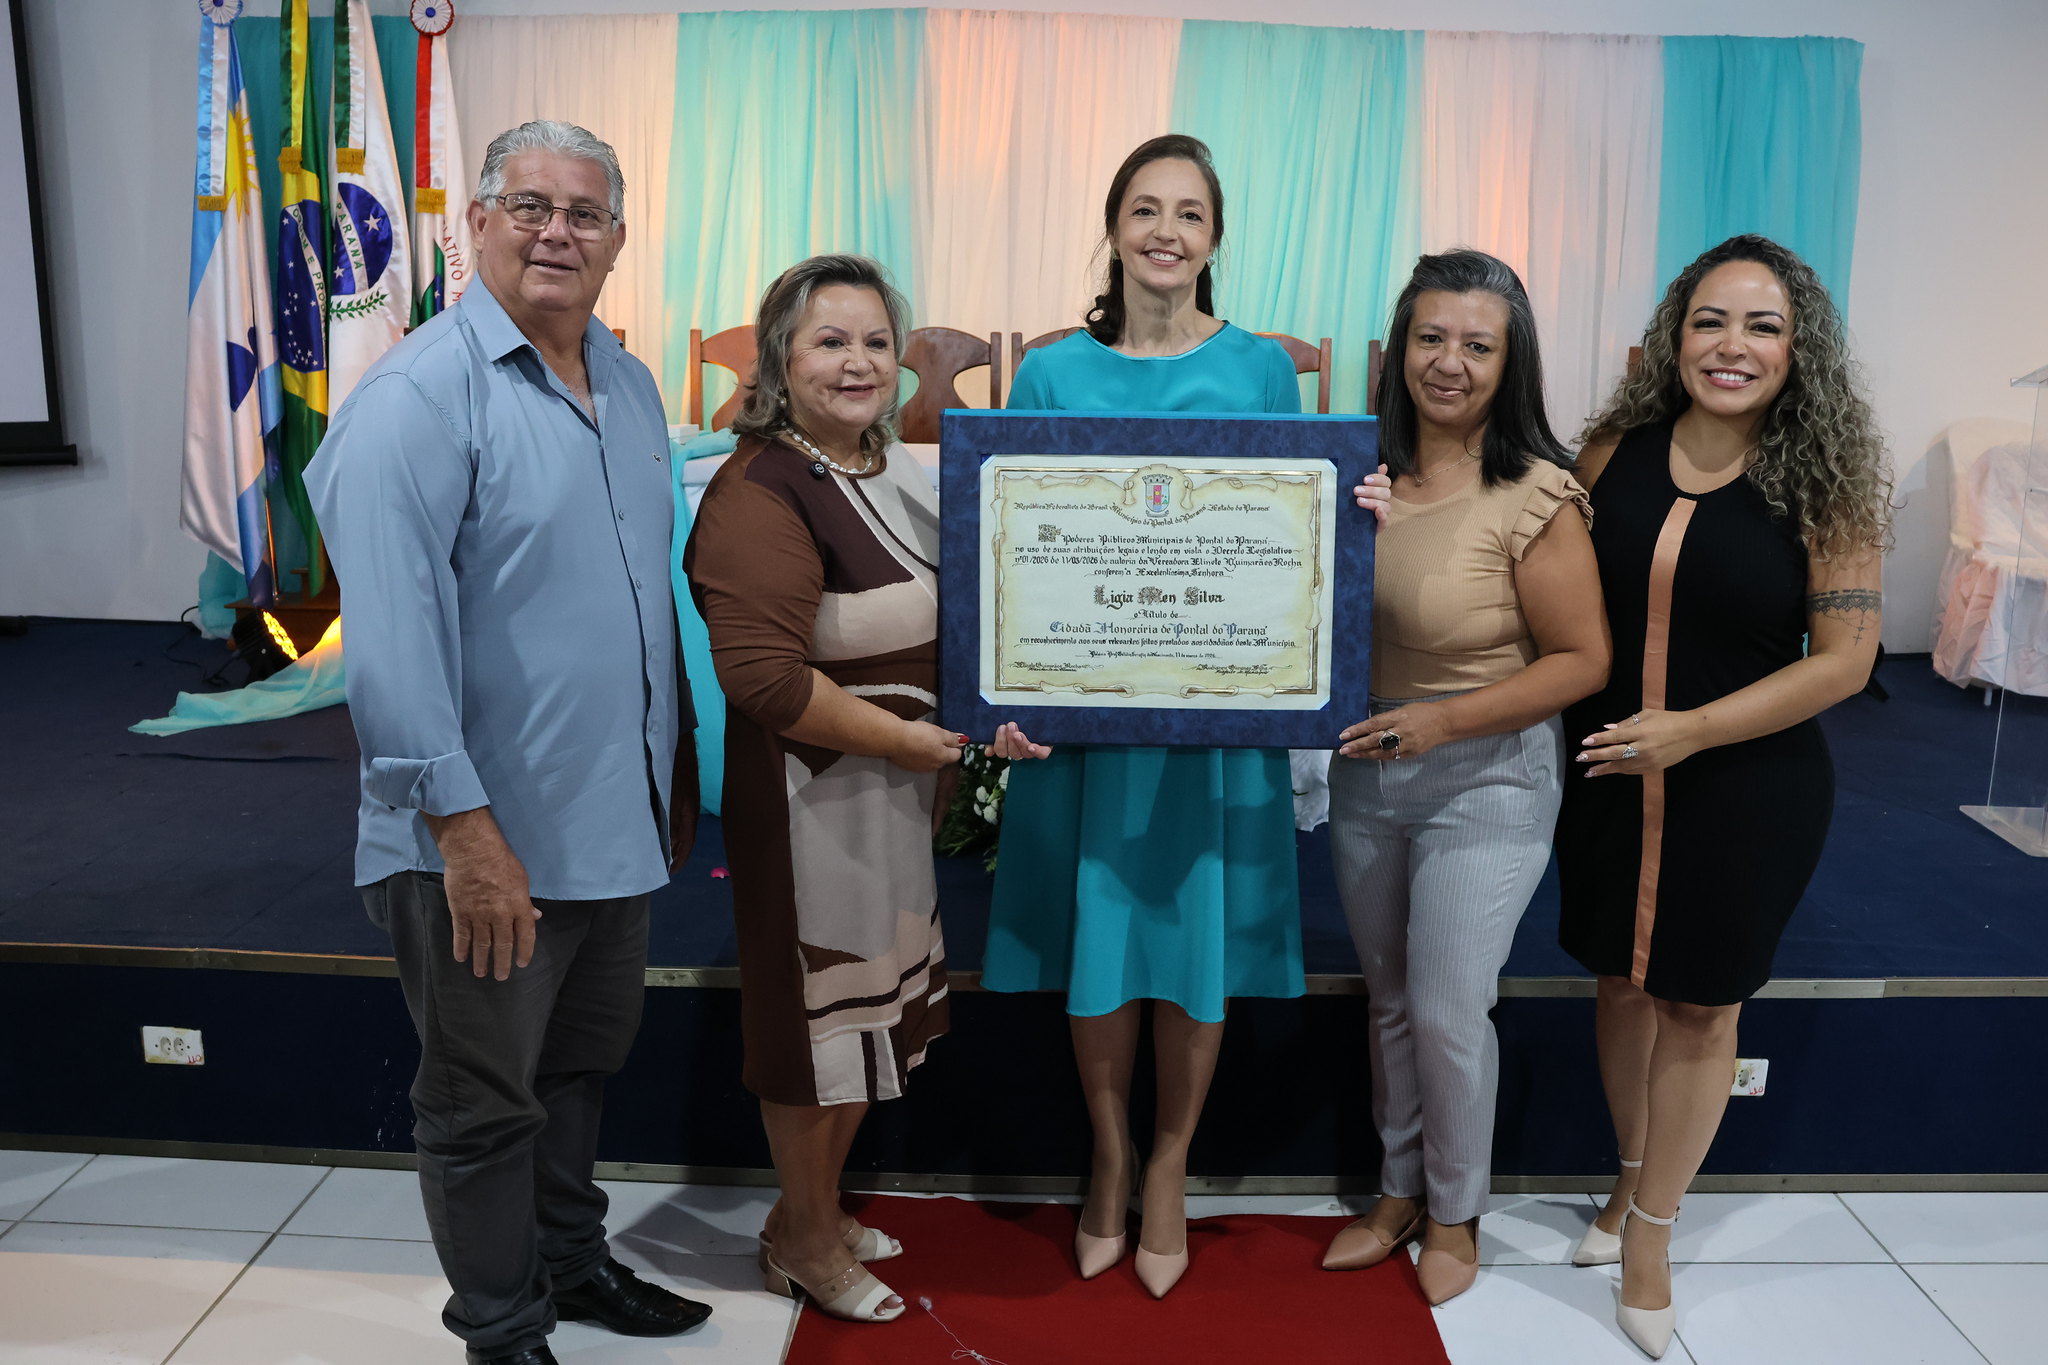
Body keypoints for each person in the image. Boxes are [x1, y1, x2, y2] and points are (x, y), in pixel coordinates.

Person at [306, 121, 708, 1365]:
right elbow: (390, 651)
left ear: (618, 240)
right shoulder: (417, 401)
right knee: (482, 1104)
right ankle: (500, 1326)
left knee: (578, 1071)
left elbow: (644, 604)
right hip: (483, 846)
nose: (555, 232)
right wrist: (466, 838)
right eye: (527, 205)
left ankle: (571, 1266)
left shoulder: (630, 383)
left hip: (611, 821)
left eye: (584, 214)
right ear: (474, 224)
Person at [979, 133, 1389, 1300]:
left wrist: (1349, 509)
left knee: (1192, 942)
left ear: (1215, 238)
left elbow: (1290, 529)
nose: (1165, 231)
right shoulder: (1054, 372)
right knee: (1102, 938)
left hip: (1212, 723)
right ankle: (1105, 1156)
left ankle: (1171, 1163)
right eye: (1144, 209)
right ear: (1112, 227)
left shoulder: (1262, 367)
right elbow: (1014, 543)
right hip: (1091, 721)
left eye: (1189, 214)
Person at [684, 254, 1048, 1325]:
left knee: (866, 1014)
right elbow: (760, 678)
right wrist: (915, 744)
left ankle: (815, 1209)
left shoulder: (889, 467)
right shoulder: (756, 491)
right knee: (816, 1033)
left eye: (876, 342)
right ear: (778, 358)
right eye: (829, 341)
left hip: (885, 799)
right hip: (809, 808)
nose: (857, 362)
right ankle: (800, 1237)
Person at [1554, 235, 1888, 1359]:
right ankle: (1625, 1180)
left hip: (1746, 786)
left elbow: (1842, 660)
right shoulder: (1610, 450)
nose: (1730, 347)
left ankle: (1650, 1236)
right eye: (1709, 321)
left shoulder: (1825, 484)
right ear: (1671, 336)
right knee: (1615, 981)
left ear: (1798, 354)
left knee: (1698, 1006)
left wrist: (1689, 732)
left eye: (1760, 327)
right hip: (1607, 776)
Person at [1321, 249, 1611, 1306]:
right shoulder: (1357, 474)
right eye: (1428, 338)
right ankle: (1395, 1192)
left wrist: (1437, 725)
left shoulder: (1535, 494)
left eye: (1475, 345)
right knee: (1389, 1001)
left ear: (1510, 361)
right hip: (1368, 764)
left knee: (1446, 1006)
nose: (1447, 363)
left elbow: (1582, 663)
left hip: (1484, 772)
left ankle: (1454, 1213)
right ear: (1397, 348)